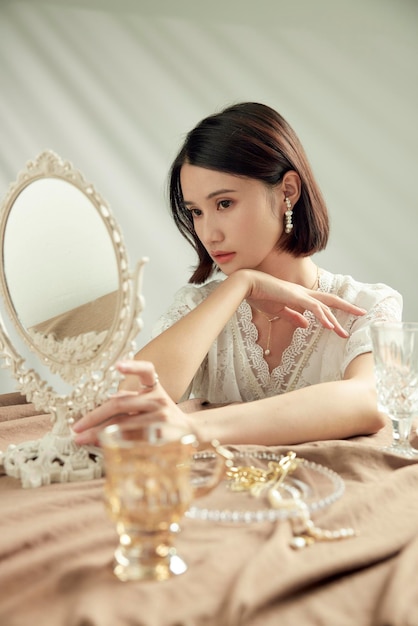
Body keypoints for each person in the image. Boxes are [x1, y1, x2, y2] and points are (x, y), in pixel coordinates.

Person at [73, 102, 402, 447]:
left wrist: (194, 428)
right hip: (205, 498)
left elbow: (370, 401)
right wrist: (240, 285)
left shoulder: (367, 307)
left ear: (287, 191)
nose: (209, 233)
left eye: (224, 204)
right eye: (196, 212)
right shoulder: (199, 308)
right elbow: (127, 404)